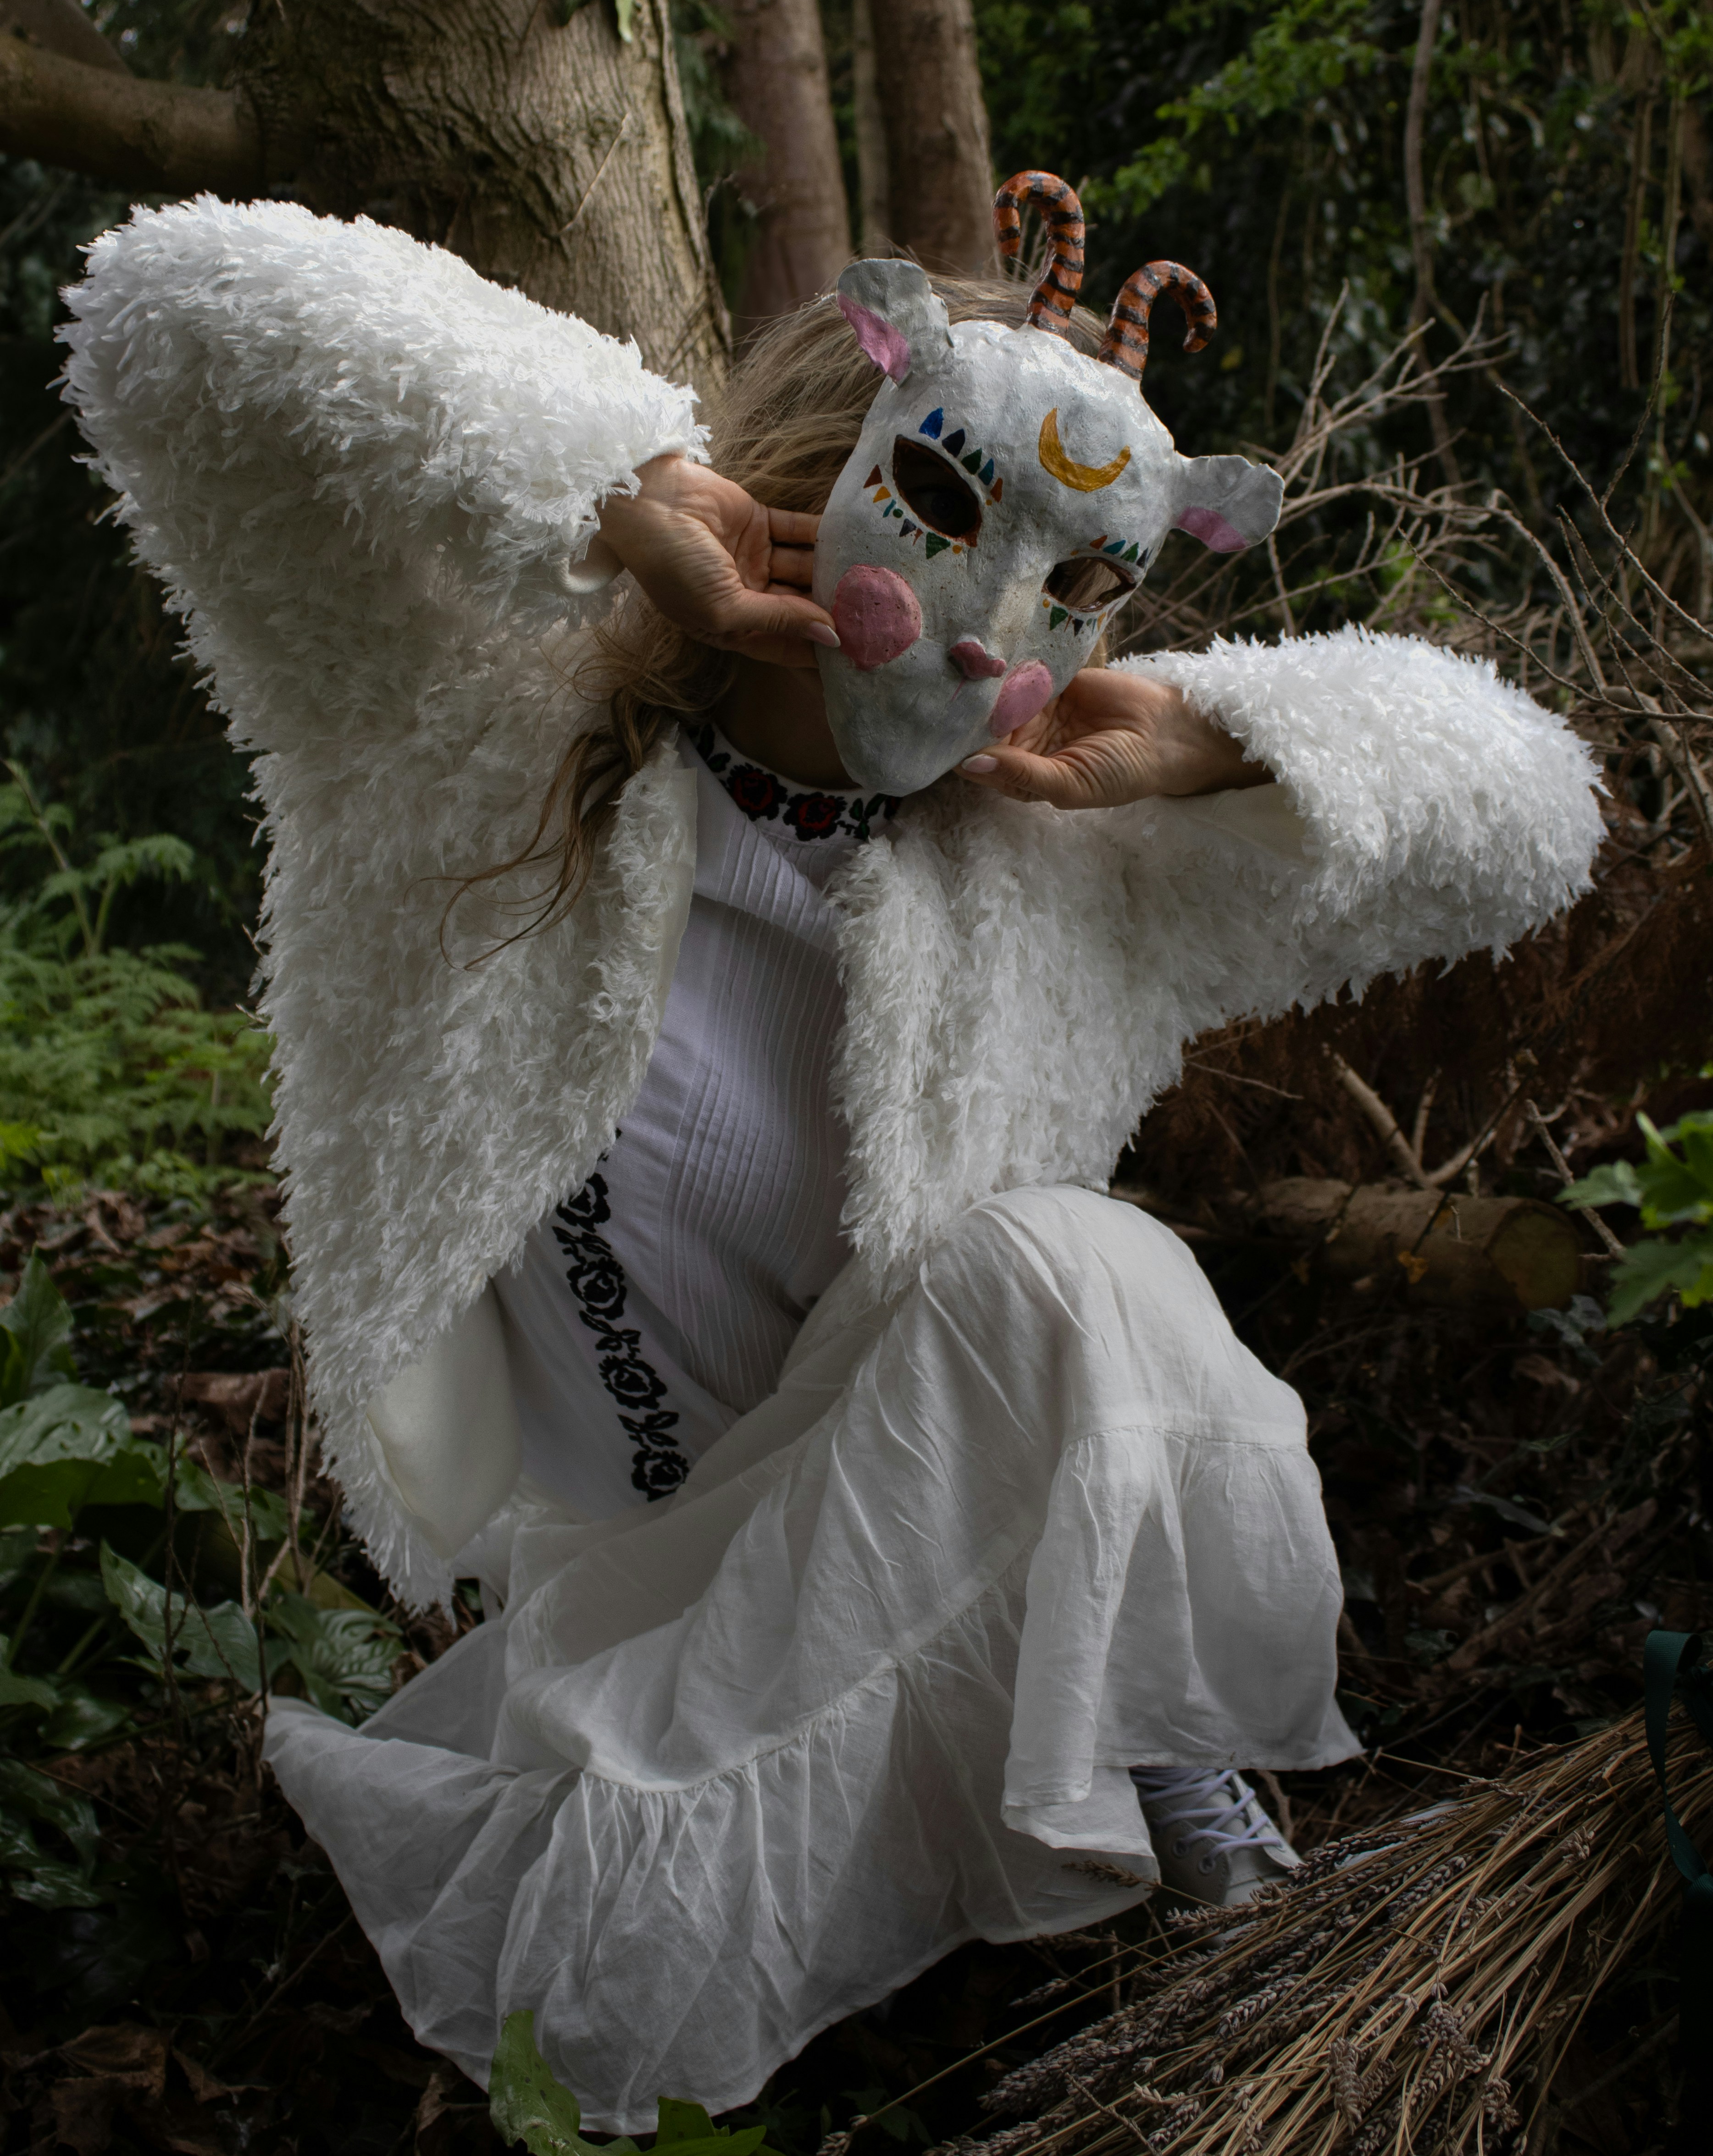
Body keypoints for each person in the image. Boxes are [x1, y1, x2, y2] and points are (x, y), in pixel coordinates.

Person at [61, 180, 1602, 2132]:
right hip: (635, 1605)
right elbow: (175, 302)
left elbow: (1536, 807)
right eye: (945, 517)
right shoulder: (466, 743)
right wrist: (628, 496)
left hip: (922, 1569)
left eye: (1078, 583)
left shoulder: (1054, 869)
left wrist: (1192, 730)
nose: (985, 635)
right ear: (807, 481)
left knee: (1069, 1265)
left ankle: (1177, 1814)